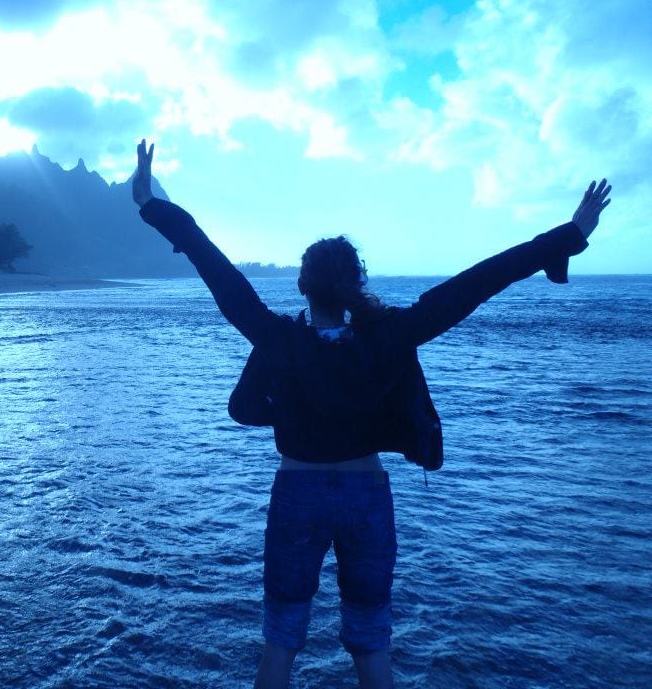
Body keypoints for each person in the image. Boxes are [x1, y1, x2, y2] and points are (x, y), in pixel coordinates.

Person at [130, 140, 611, 689]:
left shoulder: (277, 339)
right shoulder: (390, 337)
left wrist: (151, 203)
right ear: (356, 282)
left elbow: (212, 263)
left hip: (297, 493)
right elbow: (480, 281)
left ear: (302, 285)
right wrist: (569, 236)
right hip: (366, 495)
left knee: (281, 642)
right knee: (371, 645)